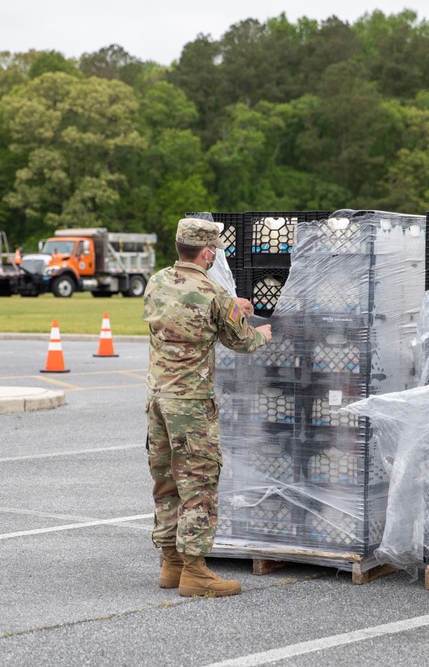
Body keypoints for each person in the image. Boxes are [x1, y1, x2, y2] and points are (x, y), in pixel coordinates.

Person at [143, 217, 271, 597]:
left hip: (157, 400)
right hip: (191, 404)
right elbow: (241, 341)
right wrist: (260, 333)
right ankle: (196, 572)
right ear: (208, 251)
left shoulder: (157, 281)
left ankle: (171, 563)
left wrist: (232, 307)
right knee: (198, 484)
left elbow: (189, 315)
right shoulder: (212, 291)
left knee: (165, 481)